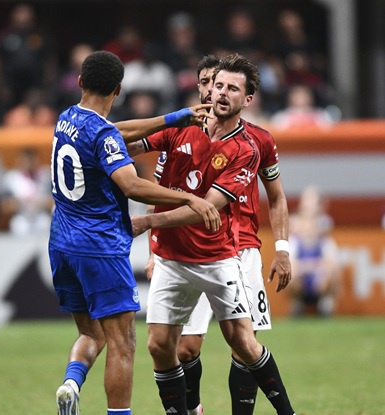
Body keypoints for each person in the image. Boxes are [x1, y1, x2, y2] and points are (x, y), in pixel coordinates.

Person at [49, 50, 220, 415]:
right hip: (99, 247)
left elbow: (114, 132)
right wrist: (189, 198)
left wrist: (175, 118)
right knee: (123, 341)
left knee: (91, 333)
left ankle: (71, 383)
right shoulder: (103, 135)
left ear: (80, 82)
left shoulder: (66, 119)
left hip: (62, 243)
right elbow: (132, 185)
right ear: (119, 89)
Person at [129, 53, 297, 415]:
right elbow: (144, 171)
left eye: (228, 87)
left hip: (234, 248)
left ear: (247, 99)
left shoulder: (253, 144)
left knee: (243, 344)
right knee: (178, 347)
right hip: (176, 249)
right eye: (212, 84)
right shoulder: (179, 126)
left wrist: (282, 248)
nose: (216, 91)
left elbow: (271, 197)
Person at [288, 185, 340, 317]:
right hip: (302, 277)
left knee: (333, 271)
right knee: (289, 271)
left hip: (318, 278)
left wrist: (316, 268)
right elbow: (291, 262)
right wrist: (305, 268)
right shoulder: (294, 241)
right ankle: (297, 303)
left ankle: (326, 303)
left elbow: (331, 263)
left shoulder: (325, 240)